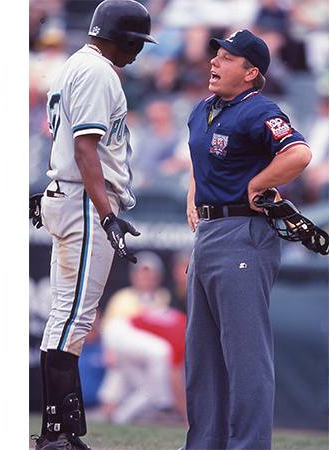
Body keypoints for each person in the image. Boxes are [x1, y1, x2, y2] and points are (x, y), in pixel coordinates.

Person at [29, 1, 157, 449]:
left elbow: (69, 145)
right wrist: (107, 214)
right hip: (85, 200)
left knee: (65, 319)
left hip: (69, 195)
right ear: (119, 37)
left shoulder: (73, 65)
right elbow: (86, 150)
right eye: (136, 42)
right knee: (73, 321)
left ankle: (59, 432)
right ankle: (56, 435)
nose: (138, 52)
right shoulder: (100, 72)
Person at [183, 29, 312, 449]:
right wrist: (193, 197)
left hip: (244, 234)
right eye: (215, 55)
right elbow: (198, 157)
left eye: (226, 58)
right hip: (209, 233)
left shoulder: (260, 109)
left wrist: (257, 184)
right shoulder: (203, 108)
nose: (214, 63)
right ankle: (204, 444)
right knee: (202, 357)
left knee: (245, 356)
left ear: (251, 71)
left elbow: (298, 153)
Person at [98, 251, 184, 425]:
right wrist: (109, 350)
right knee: (160, 352)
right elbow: (108, 328)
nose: (145, 277)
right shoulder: (123, 297)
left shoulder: (163, 297)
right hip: (122, 341)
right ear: (133, 275)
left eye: (149, 273)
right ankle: (164, 402)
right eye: (141, 272)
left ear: (158, 276)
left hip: (144, 354)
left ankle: (120, 419)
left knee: (149, 386)